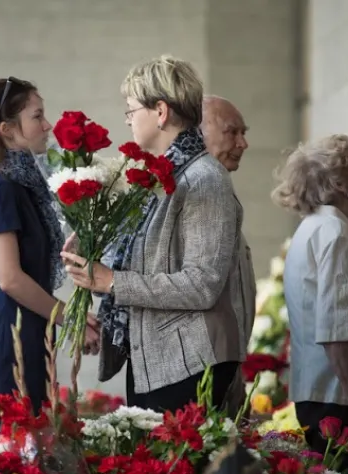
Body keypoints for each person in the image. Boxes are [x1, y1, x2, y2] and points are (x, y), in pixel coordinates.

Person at [62, 55, 243, 412]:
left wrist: (113, 281)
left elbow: (203, 284)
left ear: (160, 111)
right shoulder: (166, 175)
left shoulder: (204, 178)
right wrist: (92, 247)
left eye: (131, 110)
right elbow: (151, 255)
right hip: (158, 361)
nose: (128, 119)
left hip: (189, 364)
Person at [0, 77, 99, 443]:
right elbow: (10, 279)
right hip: (10, 344)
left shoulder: (22, 186)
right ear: (6, 130)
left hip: (32, 335)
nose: (47, 125)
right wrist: (70, 317)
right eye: (37, 116)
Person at [273, 134, 348, 474]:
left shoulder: (317, 228)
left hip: (326, 396)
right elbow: (335, 332)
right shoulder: (336, 233)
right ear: (339, 184)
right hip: (342, 401)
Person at [200, 95, 256, 415]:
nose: (243, 143)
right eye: (232, 132)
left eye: (243, 132)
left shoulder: (221, 190)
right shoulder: (198, 192)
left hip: (227, 364)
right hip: (203, 366)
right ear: (199, 133)